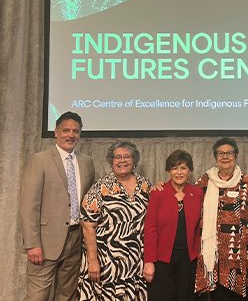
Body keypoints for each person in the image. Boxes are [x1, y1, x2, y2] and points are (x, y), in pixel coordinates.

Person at [19, 111, 96, 301]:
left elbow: (91, 200)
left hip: (76, 239)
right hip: (44, 243)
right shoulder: (40, 160)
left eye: (75, 131)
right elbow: (29, 205)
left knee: (67, 294)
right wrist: (32, 244)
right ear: (56, 132)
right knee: (38, 296)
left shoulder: (87, 162)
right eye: (66, 130)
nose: (71, 135)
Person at [78, 141, 152, 300]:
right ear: (111, 161)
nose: (122, 160)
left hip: (137, 262)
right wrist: (92, 261)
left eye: (127, 156)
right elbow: (87, 226)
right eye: (117, 157)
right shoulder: (100, 187)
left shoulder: (145, 185)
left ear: (134, 161)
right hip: (106, 263)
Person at [195, 137, 248, 300]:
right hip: (215, 253)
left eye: (229, 153)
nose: (225, 156)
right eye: (220, 153)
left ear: (236, 155)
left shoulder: (247, 181)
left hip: (240, 253)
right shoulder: (205, 180)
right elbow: (189, 200)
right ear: (215, 156)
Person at [143, 149, 204, 300]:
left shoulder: (197, 193)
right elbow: (150, 229)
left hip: (189, 261)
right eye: (174, 168)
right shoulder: (158, 193)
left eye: (183, 168)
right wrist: (148, 261)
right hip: (162, 260)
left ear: (190, 170)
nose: (179, 172)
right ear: (168, 171)